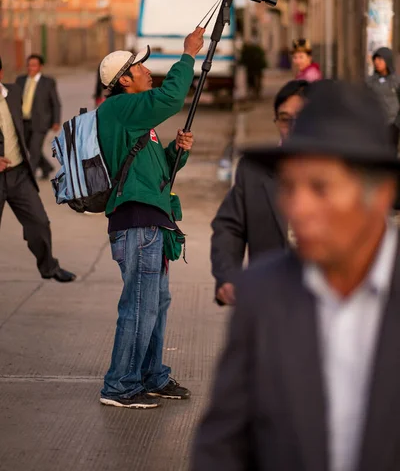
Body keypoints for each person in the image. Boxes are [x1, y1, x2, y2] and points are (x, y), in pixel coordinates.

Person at [192, 80, 400, 471]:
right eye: (290, 187)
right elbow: (221, 447)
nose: (297, 208)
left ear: (381, 195)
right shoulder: (262, 298)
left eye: (320, 188)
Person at [98, 27, 204, 410]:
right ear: (124, 80)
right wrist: (188, 54)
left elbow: (160, 174)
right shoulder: (119, 109)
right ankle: (120, 385)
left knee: (155, 304)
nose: (146, 69)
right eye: (139, 66)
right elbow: (173, 96)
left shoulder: (137, 121)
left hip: (152, 220)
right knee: (140, 305)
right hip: (137, 223)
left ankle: (150, 376)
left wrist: (178, 151)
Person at [211, 80, 308, 306]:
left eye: (302, 117)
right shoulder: (254, 170)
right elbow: (229, 226)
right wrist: (228, 277)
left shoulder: (342, 174)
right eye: (285, 119)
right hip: (271, 305)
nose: (293, 126)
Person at [0, 57, 75, 282]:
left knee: (39, 223)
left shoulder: (12, 93)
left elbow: (29, 118)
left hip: (19, 174)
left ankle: (49, 267)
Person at [16, 54, 61, 179]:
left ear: (40, 67)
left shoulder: (48, 82)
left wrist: (56, 121)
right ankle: (46, 167)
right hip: (23, 120)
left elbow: (55, 103)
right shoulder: (20, 80)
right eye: (29, 65)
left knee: (34, 149)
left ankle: (29, 176)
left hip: (41, 122)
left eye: (34, 65)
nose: (31, 68)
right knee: (27, 147)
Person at [367, 46, 400, 149]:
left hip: (392, 124)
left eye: (380, 59)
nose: (377, 62)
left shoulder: (396, 81)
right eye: (375, 59)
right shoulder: (370, 81)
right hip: (375, 124)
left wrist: (397, 123)